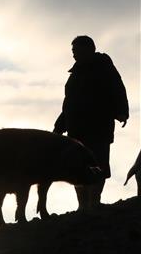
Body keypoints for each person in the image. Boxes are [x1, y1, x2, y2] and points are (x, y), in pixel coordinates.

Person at [54, 35, 129, 206]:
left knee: (98, 163)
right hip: (76, 129)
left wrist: (122, 111)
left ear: (89, 49)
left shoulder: (104, 67)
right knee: (77, 165)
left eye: (76, 50)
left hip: (98, 126)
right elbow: (69, 103)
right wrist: (59, 126)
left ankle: (94, 201)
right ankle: (83, 205)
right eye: (72, 51)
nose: (73, 54)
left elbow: (118, 89)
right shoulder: (74, 75)